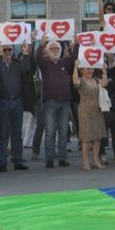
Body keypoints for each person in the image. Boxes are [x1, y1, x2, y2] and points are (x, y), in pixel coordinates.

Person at [0, 42, 36, 172]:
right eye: (5, 50)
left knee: (16, 133)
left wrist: (26, 52)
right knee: (2, 133)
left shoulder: (18, 65)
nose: (7, 53)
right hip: (3, 101)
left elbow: (27, 69)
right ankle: (2, 162)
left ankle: (17, 160)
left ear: (13, 51)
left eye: (9, 50)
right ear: (1, 52)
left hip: (17, 101)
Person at [36, 39, 76, 168]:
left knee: (64, 132)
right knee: (50, 132)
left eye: (57, 49)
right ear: (47, 51)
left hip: (65, 102)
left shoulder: (65, 62)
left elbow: (75, 57)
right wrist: (41, 44)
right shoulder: (45, 63)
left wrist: (77, 43)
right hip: (50, 103)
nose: (55, 51)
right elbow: (37, 57)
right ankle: (49, 159)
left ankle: (63, 158)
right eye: (52, 49)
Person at [71, 60, 108, 171]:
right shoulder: (81, 81)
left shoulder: (95, 80)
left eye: (91, 68)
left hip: (97, 111)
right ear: (82, 70)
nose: (90, 71)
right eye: (87, 69)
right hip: (85, 112)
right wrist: (75, 66)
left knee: (97, 137)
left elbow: (104, 83)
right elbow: (75, 82)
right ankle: (85, 162)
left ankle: (95, 161)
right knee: (86, 138)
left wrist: (104, 70)